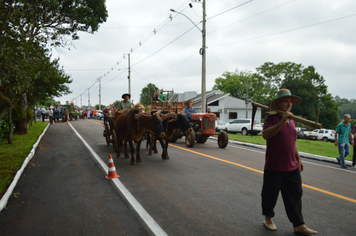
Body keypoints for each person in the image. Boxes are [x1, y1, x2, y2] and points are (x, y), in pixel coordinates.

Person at [261, 89, 317, 235]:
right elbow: (265, 135)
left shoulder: (292, 119)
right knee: (270, 195)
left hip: (291, 166)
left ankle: (298, 224)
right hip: (274, 165)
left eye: (291, 102)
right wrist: (282, 121)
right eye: (286, 101)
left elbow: (293, 141)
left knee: (295, 195)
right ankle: (268, 219)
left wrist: (298, 159)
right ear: (278, 102)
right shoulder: (271, 117)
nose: (289, 104)